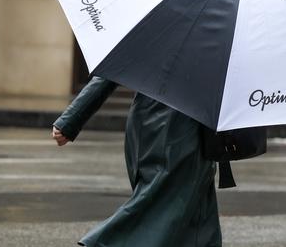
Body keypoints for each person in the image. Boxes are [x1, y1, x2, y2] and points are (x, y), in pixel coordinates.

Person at [52, 76, 222, 247]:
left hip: (171, 128)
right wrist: (71, 120)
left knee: (195, 213)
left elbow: (111, 67)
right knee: (163, 207)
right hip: (174, 132)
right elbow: (110, 70)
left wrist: (71, 119)